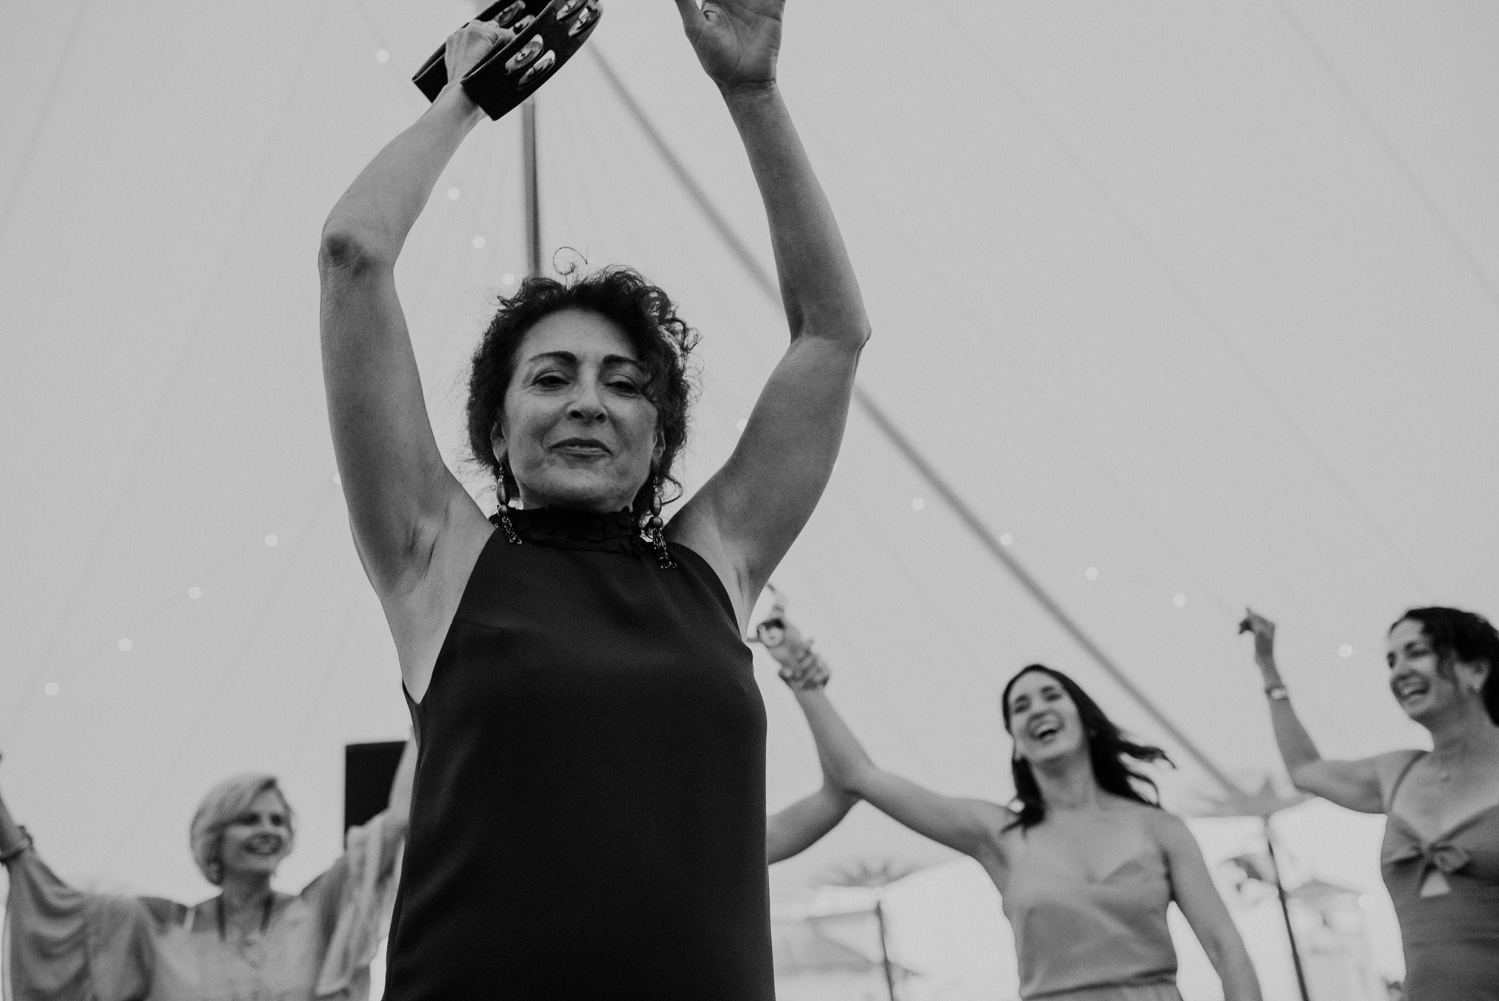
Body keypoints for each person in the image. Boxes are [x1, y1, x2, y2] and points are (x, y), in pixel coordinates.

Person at [316, 0, 870, 995]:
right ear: (495, 425)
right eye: (550, 377)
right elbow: (355, 252)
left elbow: (830, 334)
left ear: (659, 433)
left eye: (624, 383)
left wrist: (752, 94)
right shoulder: (436, 553)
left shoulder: (718, 559)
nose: (588, 401)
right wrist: (461, 101)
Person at [788, 643, 1263, 1001]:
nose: (1036, 709)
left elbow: (1227, 950)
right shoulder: (1001, 835)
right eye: (1021, 706)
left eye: (1050, 695)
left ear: (1086, 720)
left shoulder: (1160, 829)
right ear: (1017, 740)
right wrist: (806, 684)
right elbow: (859, 776)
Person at [0, 742, 414, 1001]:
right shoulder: (161, 926)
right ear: (214, 836)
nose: (268, 830)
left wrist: (428, 712)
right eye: (250, 819)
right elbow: (57, 908)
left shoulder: (317, 910)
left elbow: (395, 826)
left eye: (277, 820)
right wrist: (11, 841)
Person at [1240, 606, 1499, 1001]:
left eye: (1416, 652)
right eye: (1392, 660)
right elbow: (1305, 769)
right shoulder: (1397, 773)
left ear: (1477, 670)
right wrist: (1267, 666)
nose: (1398, 671)